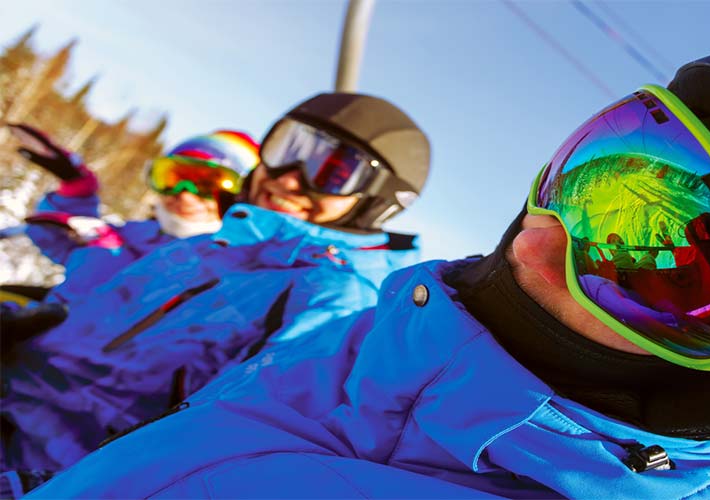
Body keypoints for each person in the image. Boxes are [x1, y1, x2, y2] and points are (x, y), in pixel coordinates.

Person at [28, 43, 710, 499]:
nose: (543, 238)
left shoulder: (330, 299)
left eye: (664, 272)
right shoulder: (386, 341)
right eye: (601, 174)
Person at [0, 92, 430, 483]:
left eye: (333, 172)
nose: (287, 178)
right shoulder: (220, 242)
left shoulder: (336, 298)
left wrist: (64, 485)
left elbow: (239, 443)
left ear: (379, 198)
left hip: (57, 464)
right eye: (287, 149)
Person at [4, 125, 259, 305]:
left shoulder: (227, 264)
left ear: (239, 196)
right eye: (175, 177)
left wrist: (111, 254)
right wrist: (75, 189)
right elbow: (51, 237)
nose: (185, 194)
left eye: (208, 185)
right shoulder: (139, 234)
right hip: (47, 329)